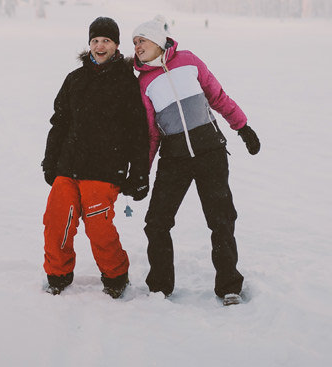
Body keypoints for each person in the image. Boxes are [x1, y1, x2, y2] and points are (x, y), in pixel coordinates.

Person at [132, 15, 261, 306]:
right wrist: (143, 173)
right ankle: (160, 287)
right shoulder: (144, 83)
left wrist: (242, 127)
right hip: (174, 157)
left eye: (142, 40)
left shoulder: (189, 60)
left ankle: (229, 286)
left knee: (221, 220)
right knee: (156, 222)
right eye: (135, 43)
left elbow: (217, 96)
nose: (137, 46)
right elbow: (152, 133)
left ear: (157, 40)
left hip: (210, 153)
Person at [41, 16, 150, 299]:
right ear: (89, 44)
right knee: (57, 221)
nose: (100, 46)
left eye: (106, 41)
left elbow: (139, 132)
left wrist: (139, 173)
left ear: (116, 45)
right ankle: (58, 274)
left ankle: (115, 275)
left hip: (104, 169)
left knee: (99, 226)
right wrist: (50, 161)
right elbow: (60, 123)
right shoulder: (74, 80)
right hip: (69, 165)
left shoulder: (127, 83)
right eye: (95, 40)